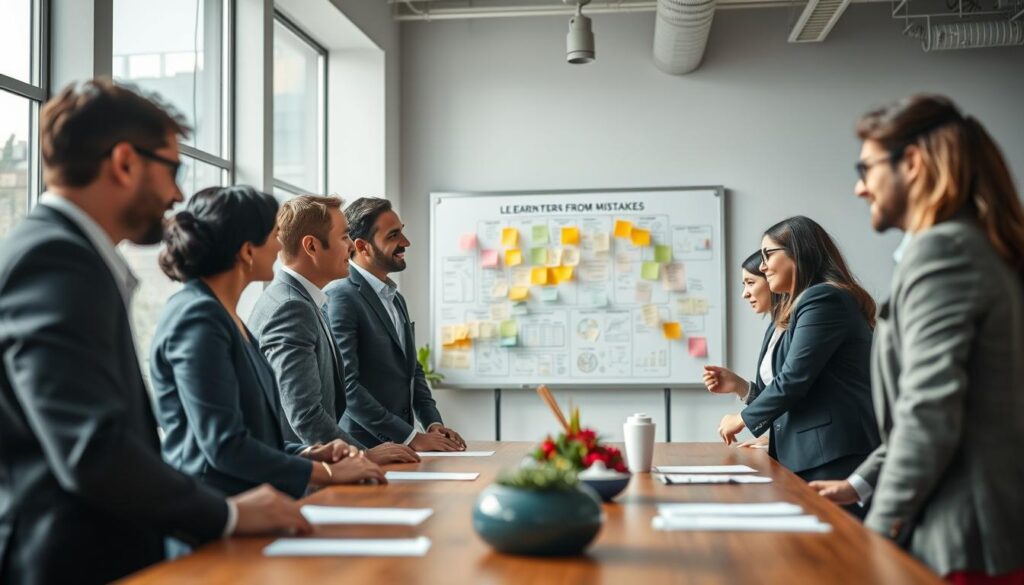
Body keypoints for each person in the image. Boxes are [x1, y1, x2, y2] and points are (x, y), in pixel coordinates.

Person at [0, 80, 309, 585]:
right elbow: (91, 450)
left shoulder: (68, 254)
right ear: (124, 162)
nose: (178, 193)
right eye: (173, 168)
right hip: (67, 559)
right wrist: (228, 514)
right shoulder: (55, 259)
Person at [811, 95, 1024, 582]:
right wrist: (859, 484)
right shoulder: (964, 245)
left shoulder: (943, 253)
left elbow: (929, 413)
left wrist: (876, 534)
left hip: (960, 537)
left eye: (865, 169)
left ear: (911, 163)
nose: (859, 187)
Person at [151, 186, 387, 503]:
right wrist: (327, 473)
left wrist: (308, 455)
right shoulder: (198, 317)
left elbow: (254, 435)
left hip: (249, 503)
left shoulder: (223, 314)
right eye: (274, 234)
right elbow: (224, 446)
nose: (280, 246)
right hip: (216, 514)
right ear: (248, 251)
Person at [703, 217, 881, 499]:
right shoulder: (791, 314)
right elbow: (791, 386)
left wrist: (742, 419)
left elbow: (795, 379)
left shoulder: (823, 299)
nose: (762, 265)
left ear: (798, 253)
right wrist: (743, 391)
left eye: (767, 255)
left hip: (833, 456)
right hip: (805, 456)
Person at [248, 195, 419, 465]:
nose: (352, 246)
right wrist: (364, 456)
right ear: (312, 246)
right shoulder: (292, 308)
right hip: (300, 475)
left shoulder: (303, 300)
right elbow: (305, 416)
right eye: (343, 238)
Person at [326, 197, 465, 451]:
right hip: (364, 449)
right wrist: (410, 437)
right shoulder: (342, 297)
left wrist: (432, 423)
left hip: (402, 449)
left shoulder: (395, 297)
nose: (405, 242)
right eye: (393, 236)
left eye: (402, 231)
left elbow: (412, 369)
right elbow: (348, 387)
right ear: (362, 246)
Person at [704, 251, 779, 450]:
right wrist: (739, 385)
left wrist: (741, 419)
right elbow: (777, 399)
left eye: (751, 282)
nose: (744, 293)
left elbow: (790, 389)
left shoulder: (798, 327)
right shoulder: (774, 328)